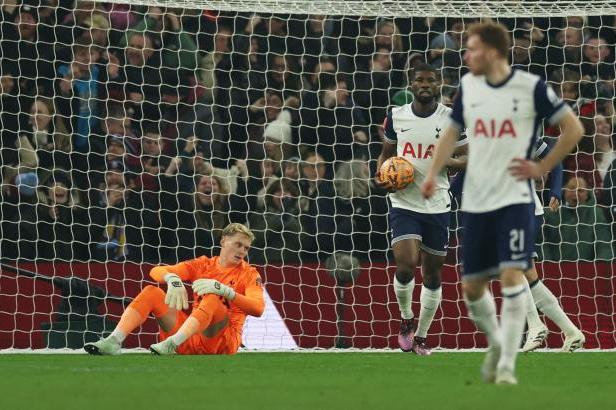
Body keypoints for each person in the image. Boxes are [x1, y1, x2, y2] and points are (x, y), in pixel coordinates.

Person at [421, 22, 583, 384]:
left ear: (492, 51)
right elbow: (454, 139)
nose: (464, 56)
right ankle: (554, 331)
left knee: (513, 272)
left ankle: (517, 348)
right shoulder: (469, 90)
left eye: (471, 49)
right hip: (479, 201)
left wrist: (544, 171)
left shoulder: (529, 89)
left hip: (517, 199)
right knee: (479, 285)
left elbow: (570, 130)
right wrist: (433, 173)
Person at [376, 63, 468, 355]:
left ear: (439, 83)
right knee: (405, 262)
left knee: (432, 274)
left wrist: (447, 162)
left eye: (431, 80)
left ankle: (422, 336)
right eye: (419, 80)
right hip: (403, 200)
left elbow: (470, 156)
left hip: (438, 202)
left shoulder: (452, 118)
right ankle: (406, 319)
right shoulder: (397, 115)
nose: (425, 84)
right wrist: (382, 176)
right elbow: (386, 154)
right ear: (411, 84)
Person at [84, 223, 264, 355]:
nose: (242, 251)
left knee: (213, 299)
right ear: (224, 241)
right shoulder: (202, 264)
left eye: (246, 248)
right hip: (189, 338)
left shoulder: (249, 273)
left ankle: (171, 344)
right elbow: (156, 271)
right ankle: (113, 341)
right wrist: (172, 279)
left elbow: (258, 308)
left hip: (221, 343)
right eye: (238, 244)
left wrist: (225, 291)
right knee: (151, 292)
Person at [521, 138, 586, 352]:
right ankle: (570, 331)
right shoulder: (484, 131)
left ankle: (536, 326)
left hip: (524, 209)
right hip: (502, 211)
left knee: (516, 268)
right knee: (523, 273)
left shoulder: (524, 130)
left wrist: (555, 191)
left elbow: (555, 161)